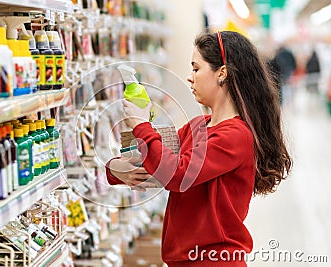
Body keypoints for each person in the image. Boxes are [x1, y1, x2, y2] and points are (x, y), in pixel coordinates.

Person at [106, 31, 292, 266]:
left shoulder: (236, 136)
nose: (190, 78)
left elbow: (176, 174)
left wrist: (142, 125)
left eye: (196, 69)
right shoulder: (198, 126)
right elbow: (155, 162)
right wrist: (114, 169)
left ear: (221, 74)